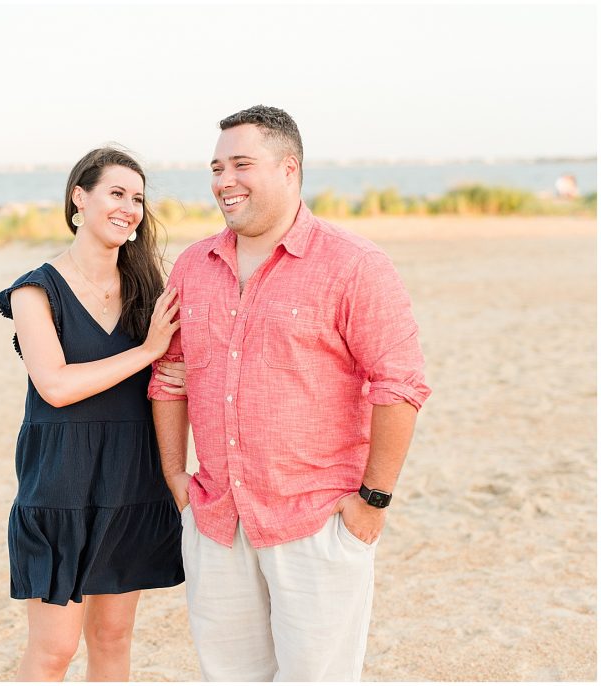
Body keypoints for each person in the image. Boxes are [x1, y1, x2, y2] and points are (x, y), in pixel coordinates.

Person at [149, 105, 432, 681]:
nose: (223, 181)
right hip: (216, 520)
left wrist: (372, 502)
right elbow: (169, 375)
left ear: (289, 169)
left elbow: (400, 385)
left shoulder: (356, 265)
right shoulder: (192, 265)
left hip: (318, 520)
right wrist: (175, 476)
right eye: (216, 167)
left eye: (240, 164)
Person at [0, 147, 187, 681]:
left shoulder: (150, 289)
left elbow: (178, 375)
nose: (129, 208)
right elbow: (53, 385)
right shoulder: (36, 290)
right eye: (116, 193)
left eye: (138, 198)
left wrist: (181, 372)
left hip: (132, 479)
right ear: (80, 197)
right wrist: (147, 352)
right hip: (60, 483)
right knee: (54, 649)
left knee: (112, 638)